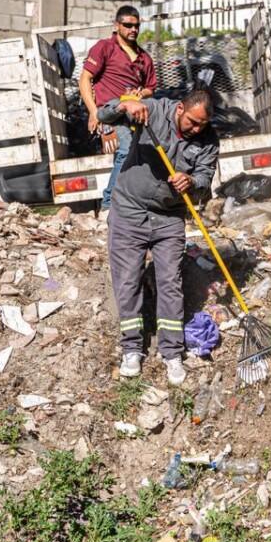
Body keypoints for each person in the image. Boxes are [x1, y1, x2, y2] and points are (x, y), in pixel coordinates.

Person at [96, 89, 218, 386]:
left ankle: (172, 352)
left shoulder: (208, 140)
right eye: (192, 122)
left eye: (202, 124)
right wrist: (127, 105)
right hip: (129, 211)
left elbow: (204, 181)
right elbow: (103, 115)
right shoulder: (153, 111)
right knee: (128, 280)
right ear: (179, 109)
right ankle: (132, 349)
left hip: (168, 218)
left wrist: (191, 182)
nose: (196, 129)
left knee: (169, 282)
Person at [79, 5, 158, 215]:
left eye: (136, 25)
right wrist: (93, 112)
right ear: (117, 26)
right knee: (125, 150)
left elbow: (151, 87)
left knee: (146, 153)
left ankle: (137, 202)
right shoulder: (105, 47)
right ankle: (107, 205)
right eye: (128, 25)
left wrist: (143, 94)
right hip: (110, 111)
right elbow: (85, 79)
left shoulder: (144, 57)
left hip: (134, 113)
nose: (133, 29)